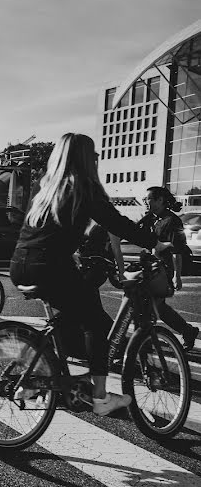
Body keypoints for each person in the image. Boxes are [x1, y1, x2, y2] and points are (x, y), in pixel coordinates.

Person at [9, 133, 171, 416]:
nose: (96, 159)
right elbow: (116, 223)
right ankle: (99, 397)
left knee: (69, 319)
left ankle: (35, 379)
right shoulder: (83, 186)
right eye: (93, 154)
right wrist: (155, 243)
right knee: (95, 323)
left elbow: (43, 231)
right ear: (85, 158)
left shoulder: (45, 189)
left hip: (20, 264)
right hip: (51, 267)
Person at [138, 186, 199, 351]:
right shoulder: (153, 218)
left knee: (155, 305)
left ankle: (185, 331)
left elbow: (177, 251)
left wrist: (176, 276)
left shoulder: (172, 221)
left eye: (148, 199)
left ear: (159, 200)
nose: (145, 201)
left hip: (164, 270)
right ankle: (187, 331)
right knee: (153, 305)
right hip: (153, 268)